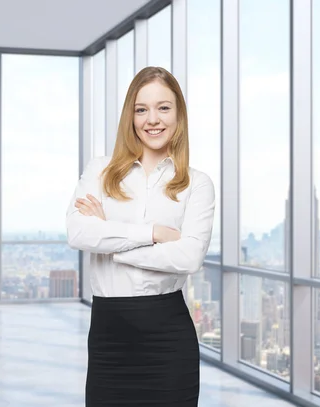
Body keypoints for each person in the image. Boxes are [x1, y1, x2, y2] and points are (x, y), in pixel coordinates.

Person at [65, 66, 215, 406]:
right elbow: (78, 232)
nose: (153, 119)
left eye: (164, 107)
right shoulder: (100, 171)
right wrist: (154, 234)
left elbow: (188, 257)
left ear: (179, 115)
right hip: (109, 336)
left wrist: (113, 246)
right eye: (141, 109)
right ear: (130, 116)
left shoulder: (197, 183)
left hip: (167, 337)